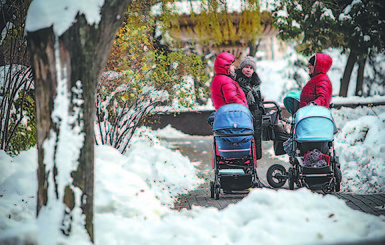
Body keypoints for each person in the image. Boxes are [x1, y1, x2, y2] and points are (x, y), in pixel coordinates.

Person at [235, 56, 264, 160]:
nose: (248, 70)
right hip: (242, 112)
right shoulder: (236, 80)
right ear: (242, 67)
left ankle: (255, 157)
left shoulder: (255, 83)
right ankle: (243, 156)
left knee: (256, 136)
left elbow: (259, 98)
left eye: (251, 68)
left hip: (255, 112)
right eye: (246, 67)